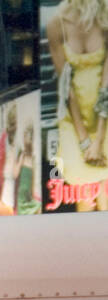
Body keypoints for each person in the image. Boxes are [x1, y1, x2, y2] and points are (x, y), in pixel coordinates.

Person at [48, 0, 108, 210]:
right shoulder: (56, 24)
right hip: (73, 120)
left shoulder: (105, 16)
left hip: (105, 116)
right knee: (83, 188)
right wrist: (84, 141)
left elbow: (106, 85)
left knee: (106, 195)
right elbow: (66, 88)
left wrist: (99, 140)